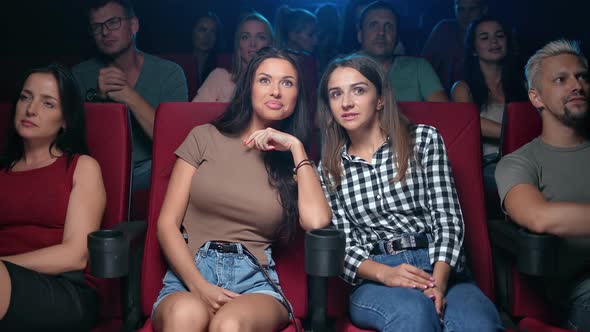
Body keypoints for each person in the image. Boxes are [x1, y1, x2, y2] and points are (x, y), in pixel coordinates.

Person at [317, 54, 502, 331]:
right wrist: (386, 273)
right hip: (376, 275)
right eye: (336, 94)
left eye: (359, 90)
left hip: (439, 263)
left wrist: (437, 283)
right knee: (414, 316)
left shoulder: (423, 139)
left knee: (478, 325)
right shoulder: (328, 167)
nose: (346, 102)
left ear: (379, 99)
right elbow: (341, 247)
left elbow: (447, 219)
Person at [152, 48, 331, 331]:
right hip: (190, 272)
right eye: (265, 80)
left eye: (287, 83)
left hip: (254, 280)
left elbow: (317, 221)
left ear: (297, 96)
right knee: (185, 316)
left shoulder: (295, 162)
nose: (275, 91)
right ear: (248, 87)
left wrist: (296, 148)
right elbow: (166, 224)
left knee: (229, 325)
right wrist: (199, 286)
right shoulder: (204, 137)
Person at [0, 64, 106, 330]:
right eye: (26, 97)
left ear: (65, 120)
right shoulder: (3, 171)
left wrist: (3, 265)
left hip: (63, 288)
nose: (31, 109)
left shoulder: (81, 167)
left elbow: (75, 255)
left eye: (48, 104)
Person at [495, 39, 590, 331]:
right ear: (536, 98)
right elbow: (538, 216)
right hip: (577, 292)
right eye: (561, 80)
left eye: (582, 76)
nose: (577, 85)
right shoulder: (519, 162)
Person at [72, 0, 188, 192]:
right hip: (96, 171)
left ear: (133, 25)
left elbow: (175, 143)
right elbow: (75, 143)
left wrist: (128, 95)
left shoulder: (169, 73)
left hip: (151, 170)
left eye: (113, 22)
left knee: (182, 167)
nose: (105, 32)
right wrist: (102, 101)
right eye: (97, 26)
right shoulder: (79, 75)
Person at [451, 17, 527, 189]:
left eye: (499, 35)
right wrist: (517, 134)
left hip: (527, 157)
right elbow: (469, 124)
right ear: (473, 49)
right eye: (484, 37)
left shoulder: (523, 84)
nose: (494, 41)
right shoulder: (463, 88)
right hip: (487, 165)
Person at [357, 1, 448, 102]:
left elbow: (443, 114)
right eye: (373, 25)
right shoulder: (343, 70)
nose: (381, 32)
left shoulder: (419, 67)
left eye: (389, 26)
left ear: (397, 37)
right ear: (360, 35)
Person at [192, 12, 273, 103]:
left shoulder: (278, 84)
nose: (253, 44)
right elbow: (193, 114)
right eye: (245, 37)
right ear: (238, 44)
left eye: (261, 37)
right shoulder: (220, 77)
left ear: (270, 43)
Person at [422, 0, 488, 91]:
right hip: (446, 99)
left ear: (484, 10)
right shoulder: (444, 29)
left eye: (472, 9)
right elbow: (424, 66)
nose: (466, 15)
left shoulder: (492, 33)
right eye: (461, 9)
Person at [192, 12, 224, 88]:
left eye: (213, 32)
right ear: (192, 31)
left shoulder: (223, 66)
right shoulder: (178, 64)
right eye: (202, 30)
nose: (207, 37)